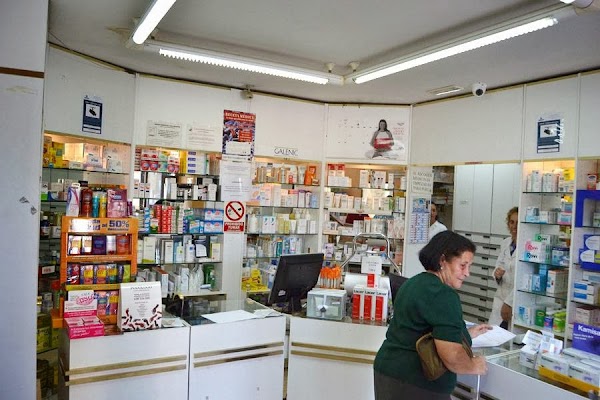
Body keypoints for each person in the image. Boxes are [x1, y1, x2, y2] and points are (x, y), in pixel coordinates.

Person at [374, 230, 490, 400]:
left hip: (389, 372)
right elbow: (452, 356)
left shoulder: (414, 283)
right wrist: (473, 365)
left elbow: (420, 329)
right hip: (417, 383)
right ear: (442, 260)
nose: (467, 273)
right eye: (463, 265)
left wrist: (466, 333)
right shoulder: (443, 294)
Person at [489, 207, 518, 330]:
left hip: (515, 299)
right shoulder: (505, 243)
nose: (514, 226)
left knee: (511, 336)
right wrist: (497, 274)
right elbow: (499, 265)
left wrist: (509, 303)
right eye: (512, 222)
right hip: (500, 297)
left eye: (518, 223)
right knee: (493, 334)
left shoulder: (529, 247)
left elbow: (523, 280)